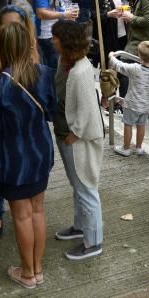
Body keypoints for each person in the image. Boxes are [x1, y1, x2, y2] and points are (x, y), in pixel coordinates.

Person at [0, 22, 55, 288]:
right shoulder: (44, 73)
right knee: (38, 210)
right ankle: (37, 269)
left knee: (22, 216)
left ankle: (27, 274)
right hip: (40, 150)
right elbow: (51, 111)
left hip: (13, 156)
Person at [51, 20, 104, 261]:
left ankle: (93, 242)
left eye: (56, 37)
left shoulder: (81, 70)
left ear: (66, 41)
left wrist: (74, 136)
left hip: (77, 139)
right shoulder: (65, 62)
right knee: (78, 186)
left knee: (86, 188)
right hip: (67, 135)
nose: (52, 40)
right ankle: (80, 226)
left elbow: (86, 111)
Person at [109, 41, 149, 156]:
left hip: (132, 104)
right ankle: (139, 147)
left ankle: (126, 148)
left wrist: (111, 56)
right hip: (146, 106)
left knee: (128, 124)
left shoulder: (134, 68)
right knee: (141, 125)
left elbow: (119, 66)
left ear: (139, 56)